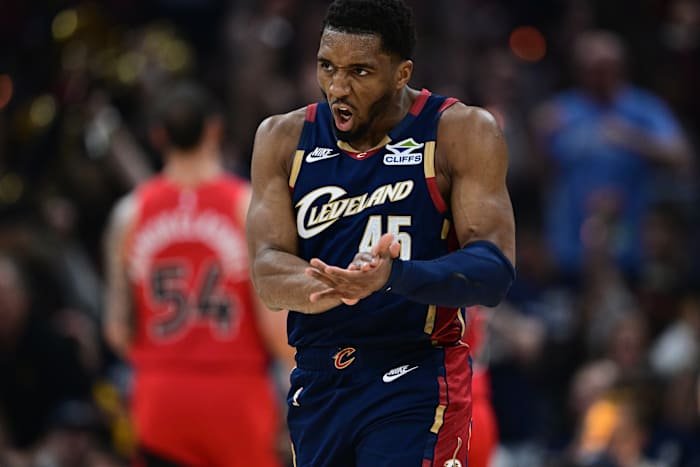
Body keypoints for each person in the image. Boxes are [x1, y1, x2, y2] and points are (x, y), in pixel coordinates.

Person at [246, 1, 516, 465]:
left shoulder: (460, 131)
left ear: (401, 73)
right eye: (327, 67)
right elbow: (267, 271)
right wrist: (334, 285)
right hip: (319, 378)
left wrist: (394, 276)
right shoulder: (282, 138)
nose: (338, 87)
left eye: (360, 72)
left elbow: (494, 270)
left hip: (416, 371)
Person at [103, 80, 293, 467]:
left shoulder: (129, 214)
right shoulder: (245, 207)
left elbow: (118, 331)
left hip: (159, 398)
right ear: (214, 129)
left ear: (158, 136)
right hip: (236, 397)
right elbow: (276, 331)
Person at [533, 30, 692, 282]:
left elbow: (680, 155)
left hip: (632, 245)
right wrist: (539, 138)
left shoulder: (643, 108)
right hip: (571, 247)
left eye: (606, 67)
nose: (600, 75)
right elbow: (540, 173)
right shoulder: (561, 111)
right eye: (592, 68)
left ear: (621, 67)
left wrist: (632, 138)